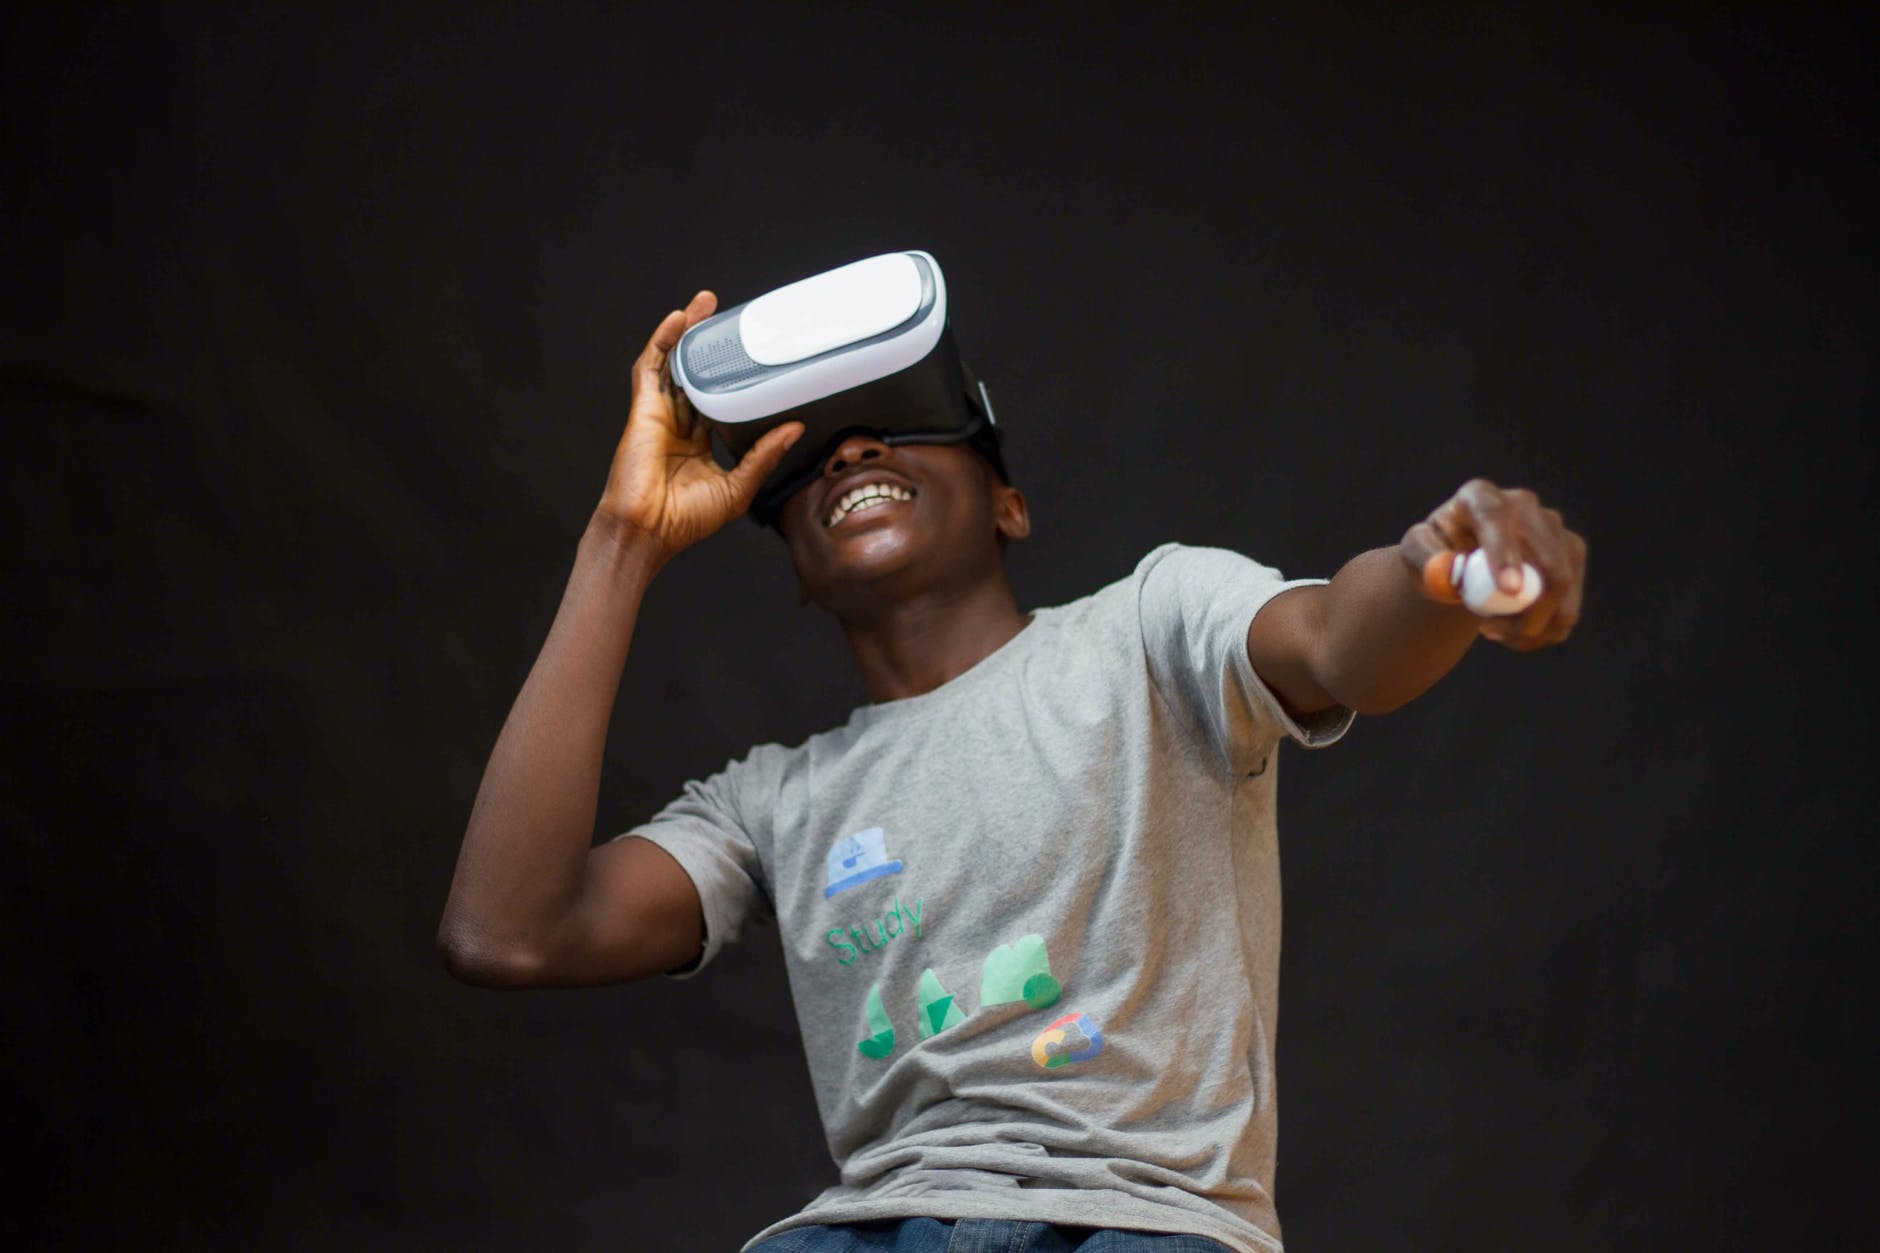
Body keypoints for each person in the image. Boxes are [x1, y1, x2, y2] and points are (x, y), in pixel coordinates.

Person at [437, 288, 1588, 1253]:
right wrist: (622, 537)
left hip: (1140, 1222)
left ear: (1009, 502)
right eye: (810, 456)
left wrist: (1435, 570)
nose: (852, 448)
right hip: (863, 1233)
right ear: (789, 558)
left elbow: (1343, 644)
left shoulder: (1148, 627)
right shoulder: (770, 801)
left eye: (899, 422)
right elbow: (508, 932)